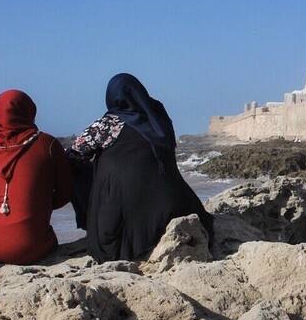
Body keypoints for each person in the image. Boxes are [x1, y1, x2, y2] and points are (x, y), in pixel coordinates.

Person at [70, 73, 213, 262]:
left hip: (125, 225)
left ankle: (91, 218)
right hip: (174, 206)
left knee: (79, 164)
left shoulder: (108, 124)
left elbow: (75, 152)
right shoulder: (159, 119)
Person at [0, 90, 73, 264]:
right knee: (48, 241)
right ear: (30, 112)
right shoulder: (48, 145)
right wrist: (39, 203)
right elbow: (65, 193)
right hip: (24, 247)